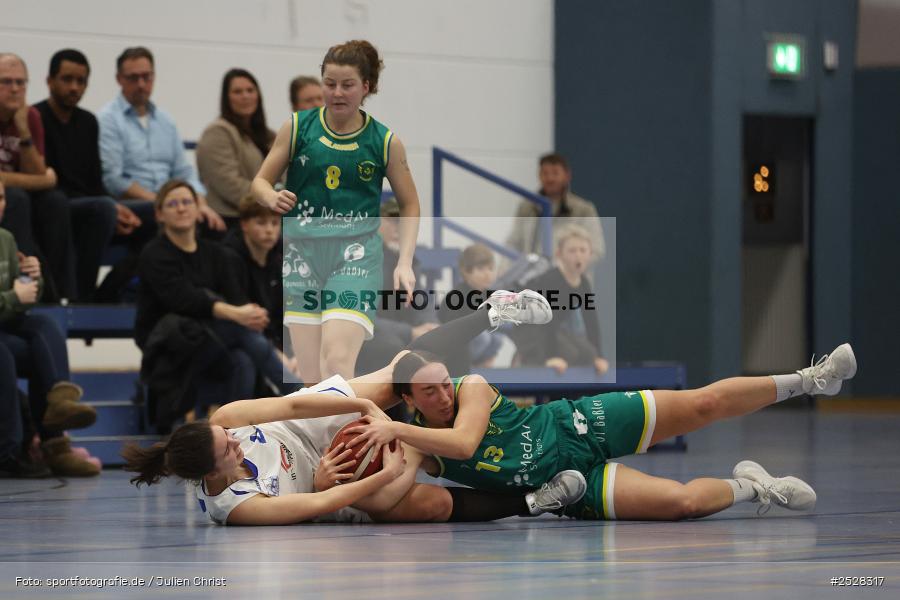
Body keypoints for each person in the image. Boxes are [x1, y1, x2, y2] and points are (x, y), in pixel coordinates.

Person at [122, 290, 582, 525]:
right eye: (229, 449)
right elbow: (322, 502)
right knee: (433, 506)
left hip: (312, 425)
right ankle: (532, 503)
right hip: (326, 482)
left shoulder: (224, 420)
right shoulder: (237, 507)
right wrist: (387, 462)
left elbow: (295, 405)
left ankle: (492, 313)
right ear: (214, 468)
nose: (235, 442)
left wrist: (364, 403)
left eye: (228, 436)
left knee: (404, 366)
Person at [346, 316, 858, 521]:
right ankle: (755, 487)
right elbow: (395, 494)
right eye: (428, 392)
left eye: (442, 381)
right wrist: (349, 502)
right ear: (410, 400)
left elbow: (463, 444)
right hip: (571, 484)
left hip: (582, 423)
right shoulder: (415, 442)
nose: (441, 392)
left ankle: (810, 379)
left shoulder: (471, 389)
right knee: (678, 504)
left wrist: (392, 427)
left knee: (702, 404)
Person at [253, 40, 421, 385]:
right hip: (302, 255)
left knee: (337, 361)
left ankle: (351, 438)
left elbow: (410, 204)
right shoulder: (298, 127)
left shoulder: (385, 141)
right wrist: (271, 198)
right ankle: (329, 439)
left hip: (355, 256)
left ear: (366, 87)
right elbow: (259, 182)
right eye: (329, 84)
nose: (337, 93)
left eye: (347, 85)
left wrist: (404, 261)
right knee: (312, 379)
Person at [135, 180, 292, 433]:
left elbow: (238, 298)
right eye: (172, 204)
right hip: (169, 343)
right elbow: (183, 299)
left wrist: (247, 314)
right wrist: (236, 314)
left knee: (243, 360)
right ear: (159, 214)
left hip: (212, 341)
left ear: (199, 210)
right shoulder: (154, 253)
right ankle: (298, 395)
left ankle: (231, 435)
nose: (181, 208)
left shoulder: (215, 254)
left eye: (187, 202)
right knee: (242, 332)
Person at [0, 180, 99, 477]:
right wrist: (12, 297)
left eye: (1, 197)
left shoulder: (5, 238)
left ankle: (59, 416)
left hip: (5, 323)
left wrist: (33, 279)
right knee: (2, 353)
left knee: (45, 324)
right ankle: (10, 450)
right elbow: (12, 298)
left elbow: (23, 299)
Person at [98, 47, 225, 238]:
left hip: (168, 201)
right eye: (133, 78)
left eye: (146, 77)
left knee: (212, 222)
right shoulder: (108, 119)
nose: (141, 84)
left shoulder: (165, 121)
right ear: (119, 79)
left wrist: (198, 202)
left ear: (154, 76)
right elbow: (114, 180)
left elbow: (184, 172)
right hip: (136, 204)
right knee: (166, 217)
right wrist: (165, 202)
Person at [34, 49, 124, 301]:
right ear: (49, 81)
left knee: (150, 215)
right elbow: (45, 182)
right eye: (67, 79)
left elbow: (95, 180)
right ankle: (79, 295)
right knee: (98, 208)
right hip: (51, 203)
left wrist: (118, 207)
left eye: (81, 81)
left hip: (88, 204)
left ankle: (117, 290)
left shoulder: (89, 122)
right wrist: (108, 205)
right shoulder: (36, 117)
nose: (74, 87)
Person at [0, 53, 73, 301]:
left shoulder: (29, 116)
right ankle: (26, 284)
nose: (15, 89)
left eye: (21, 83)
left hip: (18, 197)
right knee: (18, 198)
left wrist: (23, 130)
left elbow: (35, 171)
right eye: (7, 82)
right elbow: (42, 178)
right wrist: (43, 180)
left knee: (56, 202)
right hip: (11, 199)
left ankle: (55, 290)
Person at [514, 225, 609, 374]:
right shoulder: (551, 280)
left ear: (590, 254)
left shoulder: (583, 283)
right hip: (530, 329)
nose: (578, 256)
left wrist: (599, 356)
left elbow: (591, 321)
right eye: (572, 251)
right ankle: (530, 358)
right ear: (559, 254)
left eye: (583, 250)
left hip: (554, 329)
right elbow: (546, 323)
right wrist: (551, 357)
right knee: (571, 353)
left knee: (588, 354)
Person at [222, 194, 294, 378]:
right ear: (245, 225)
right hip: (240, 339)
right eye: (261, 223)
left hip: (274, 340)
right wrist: (279, 355)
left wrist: (295, 355)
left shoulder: (281, 257)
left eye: (275, 223)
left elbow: (286, 314)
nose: (269, 230)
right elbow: (247, 318)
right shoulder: (229, 259)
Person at [197, 69, 275, 232]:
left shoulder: (269, 135)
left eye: (250, 90)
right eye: (237, 92)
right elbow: (229, 185)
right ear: (227, 98)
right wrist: (271, 199)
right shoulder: (217, 132)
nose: (245, 96)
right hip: (231, 222)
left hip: (269, 218)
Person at [506, 153, 605, 263]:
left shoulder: (584, 209)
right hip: (532, 275)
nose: (550, 178)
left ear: (567, 176)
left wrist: (570, 266)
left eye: (555, 173)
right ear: (539, 176)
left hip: (568, 277)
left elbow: (597, 249)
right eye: (545, 173)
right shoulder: (527, 207)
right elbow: (513, 243)